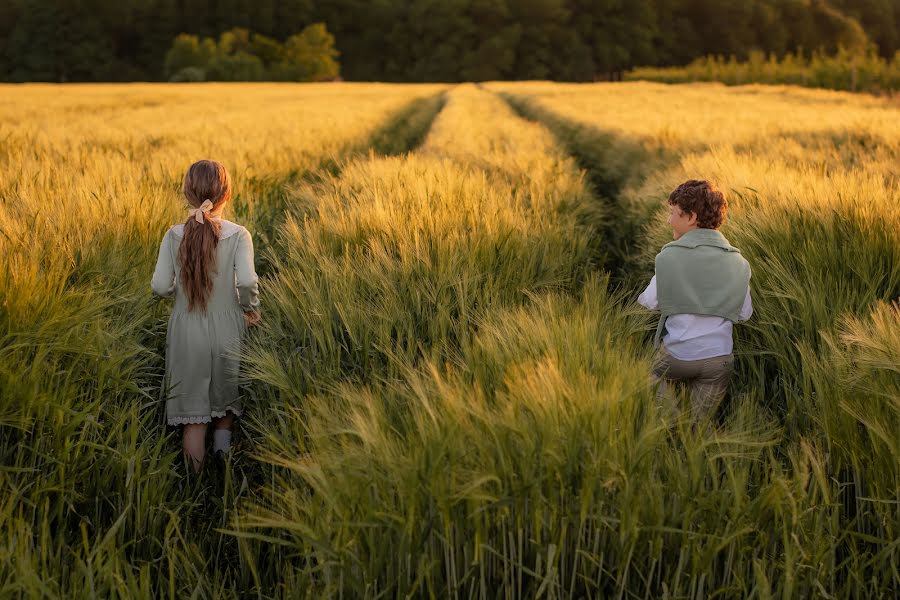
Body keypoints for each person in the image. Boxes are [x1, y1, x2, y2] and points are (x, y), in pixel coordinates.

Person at [151, 159, 261, 473]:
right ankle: (223, 468)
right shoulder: (239, 234)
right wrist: (250, 307)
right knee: (225, 399)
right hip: (228, 327)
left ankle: (194, 492)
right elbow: (247, 282)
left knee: (195, 417)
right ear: (226, 195)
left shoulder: (173, 235)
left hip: (187, 331)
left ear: (187, 194)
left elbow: (159, 286)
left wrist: (180, 290)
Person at [637, 179, 752, 425]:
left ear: (690, 218)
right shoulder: (739, 262)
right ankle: (697, 443)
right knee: (700, 427)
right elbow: (744, 314)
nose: (669, 220)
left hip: (676, 358)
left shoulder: (669, 258)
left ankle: (672, 425)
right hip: (718, 361)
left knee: (649, 375)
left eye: (673, 213)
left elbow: (649, 302)